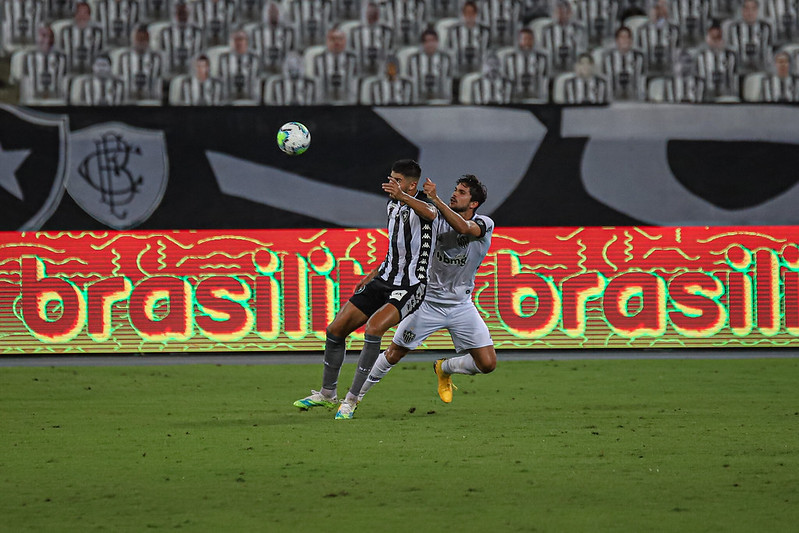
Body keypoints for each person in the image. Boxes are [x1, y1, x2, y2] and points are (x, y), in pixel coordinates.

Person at [293, 159, 437, 420]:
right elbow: (397, 247)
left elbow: (431, 214)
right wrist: (374, 272)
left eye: (397, 179)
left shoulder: (425, 204)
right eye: (390, 177)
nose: (391, 182)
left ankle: (352, 400)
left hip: (411, 285)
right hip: (384, 278)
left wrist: (404, 196)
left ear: (411, 185)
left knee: (373, 328)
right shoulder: (392, 204)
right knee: (335, 330)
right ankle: (327, 394)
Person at [357, 174, 496, 406]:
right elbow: (403, 253)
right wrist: (374, 275)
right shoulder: (433, 220)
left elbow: (462, 227)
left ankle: (445, 367)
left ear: (474, 204)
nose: (455, 193)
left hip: (461, 306)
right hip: (426, 302)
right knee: (394, 354)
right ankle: (354, 398)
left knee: (487, 364)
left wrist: (436, 199)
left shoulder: (484, 224)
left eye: (462, 192)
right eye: (455, 188)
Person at [407, 27, 454, 104]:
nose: (430, 44)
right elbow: (411, 82)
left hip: (440, 101)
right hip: (419, 101)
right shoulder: (413, 60)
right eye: (427, 41)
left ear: (437, 42)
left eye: (433, 41)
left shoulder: (446, 59)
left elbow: (448, 82)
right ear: (422, 44)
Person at [313, 26, 359, 104]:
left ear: (345, 41)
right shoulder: (318, 59)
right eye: (333, 39)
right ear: (327, 41)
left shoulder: (353, 59)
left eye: (340, 39)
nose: (337, 42)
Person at [118, 24, 163, 103]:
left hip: (149, 99)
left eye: (144, 39)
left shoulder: (157, 58)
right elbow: (119, 80)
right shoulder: (124, 58)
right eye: (139, 39)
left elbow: (159, 81)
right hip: (129, 99)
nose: (141, 42)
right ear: (133, 39)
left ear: (148, 40)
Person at [636, 0, 681, 76]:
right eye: (657, 8)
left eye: (663, 7)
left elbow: (678, 50)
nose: (659, 11)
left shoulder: (674, 29)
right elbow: (639, 51)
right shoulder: (642, 30)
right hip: (649, 71)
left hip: (668, 71)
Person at [727, 0, 773, 74]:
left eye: (753, 9)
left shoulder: (765, 27)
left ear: (757, 10)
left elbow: (769, 50)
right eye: (746, 8)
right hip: (740, 71)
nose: (750, 12)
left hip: (760, 70)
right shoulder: (733, 28)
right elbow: (731, 52)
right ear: (742, 10)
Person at [504, 27, 548, 102]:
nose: (527, 41)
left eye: (530, 39)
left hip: (535, 97)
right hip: (516, 97)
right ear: (519, 40)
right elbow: (506, 78)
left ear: (534, 40)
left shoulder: (542, 58)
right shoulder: (510, 58)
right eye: (524, 39)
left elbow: (544, 78)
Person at [159, 2, 204, 76]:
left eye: (184, 13)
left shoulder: (198, 32)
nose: (182, 16)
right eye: (179, 13)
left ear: (189, 13)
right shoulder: (165, 32)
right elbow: (163, 53)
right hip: (171, 73)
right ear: (174, 14)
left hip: (191, 73)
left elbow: (200, 52)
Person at [349, 1, 394, 76]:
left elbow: (390, 52)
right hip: (362, 72)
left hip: (381, 72)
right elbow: (352, 52)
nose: (372, 14)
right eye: (369, 12)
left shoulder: (387, 31)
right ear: (365, 13)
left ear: (378, 13)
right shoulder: (356, 32)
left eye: (374, 12)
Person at [251, 2, 296, 77]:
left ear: (279, 13)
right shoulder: (257, 31)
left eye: (275, 12)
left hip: (282, 70)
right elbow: (254, 51)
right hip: (263, 70)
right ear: (265, 13)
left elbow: (292, 51)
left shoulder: (289, 31)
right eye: (270, 12)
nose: (273, 15)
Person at [695, 23, 738, 100]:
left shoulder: (731, 56)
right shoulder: (701, 57)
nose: (715, 41)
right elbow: (699, 80)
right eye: (713, 37)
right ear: (707, 38)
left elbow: (734, 79)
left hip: (727, 97)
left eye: (718, 37)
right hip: (707, 97)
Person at [543, 0, 587, 75]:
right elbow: (544, 50)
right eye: (558, 12)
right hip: (553, 69)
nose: (560, 16)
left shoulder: (579, 29)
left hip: (573, 69)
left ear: (570, 13)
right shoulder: (547, 30)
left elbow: (583, 49)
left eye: (563, 12)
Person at [448, 0, 492, 75]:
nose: (470, 15)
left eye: (472, 12)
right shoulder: (454, 31)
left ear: (476, 14)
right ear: (463, 14)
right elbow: (450, 51)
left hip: (479, 71)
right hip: (459, 70)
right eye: (467, 12)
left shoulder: (485, 32)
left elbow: (488, 52)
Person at [59, 1, 104, 74]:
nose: (82, 16)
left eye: (85, 13)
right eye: (79, 12)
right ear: (75, 15)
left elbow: (100, 54)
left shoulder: (97, 33)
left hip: (91, 74)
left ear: (89, 16)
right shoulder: (66, 32)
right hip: (71, 72)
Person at [603, 26, 646, 101]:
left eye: (627, 37)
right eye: (622, 37)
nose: (625, 40)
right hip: (613, 95)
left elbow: (642, 78)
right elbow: (606, 79)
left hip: (634, 95)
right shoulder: (608, 58)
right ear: (617, 40)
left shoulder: (639, 57)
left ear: (631, 41)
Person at [219, 28, 261, 102]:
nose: (238, 42)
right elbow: (220, 78)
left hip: (249, 98)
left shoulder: (255, 58)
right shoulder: (223, 58)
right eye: (235, 39)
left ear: (247, 42)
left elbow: (258, 79)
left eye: (241, 39)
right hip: (229, 98)